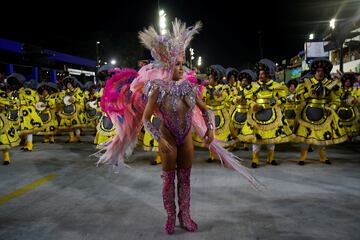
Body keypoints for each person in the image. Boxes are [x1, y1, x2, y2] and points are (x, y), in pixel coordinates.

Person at [97, 19, 260, 235]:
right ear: (168, 66)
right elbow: (146, 119)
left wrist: (210, 130)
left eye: (183, 64)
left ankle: (186, 216)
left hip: (186, 138)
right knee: (168, 181)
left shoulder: (190, 87)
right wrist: (160, 138)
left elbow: (206, 110)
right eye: (179, 65)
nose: (183, 68)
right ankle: (170, 217)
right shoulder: (157, 88)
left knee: (185, 179)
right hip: (168, 138)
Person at [294, 58, 347, 165]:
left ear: (325, 72)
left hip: (323, 113)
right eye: (318, 71)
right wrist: (308, 94)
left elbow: (336, 99)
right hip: (307, 113)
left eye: (322, 71)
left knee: (322, 137)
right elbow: (296, 97)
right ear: (314, 72)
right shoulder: (306, 82)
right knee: (305, 138)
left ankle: (323, 158)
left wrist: (331, 108)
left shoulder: (330, 84)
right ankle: (302, 158)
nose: (320, 73)